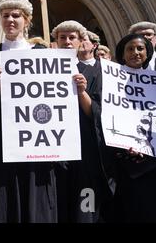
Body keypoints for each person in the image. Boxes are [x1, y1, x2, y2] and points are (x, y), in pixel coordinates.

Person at [0, 0, 58, 223]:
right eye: (6, 16)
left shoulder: (43, 55)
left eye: (16, 16)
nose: (10, 20)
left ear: (27, 20)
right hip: (1, 139)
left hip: (35, 139)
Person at [52, 20, 116, 223]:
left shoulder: (100, 72)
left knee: (84, 207)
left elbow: (97, 114)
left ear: (81, 41)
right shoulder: (46, 68)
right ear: (55, 41)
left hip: (86, 151)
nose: (67, 42)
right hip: (55, 148)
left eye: (72, 38)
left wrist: (81, 92)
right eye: (63, 37)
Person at [112, 33, 156, 222]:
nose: (136, 52)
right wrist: (124, 144)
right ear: (122, 54)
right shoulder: (109, 80)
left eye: (140, 48)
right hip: (124, 160)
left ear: (147, 52)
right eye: (130, 49)